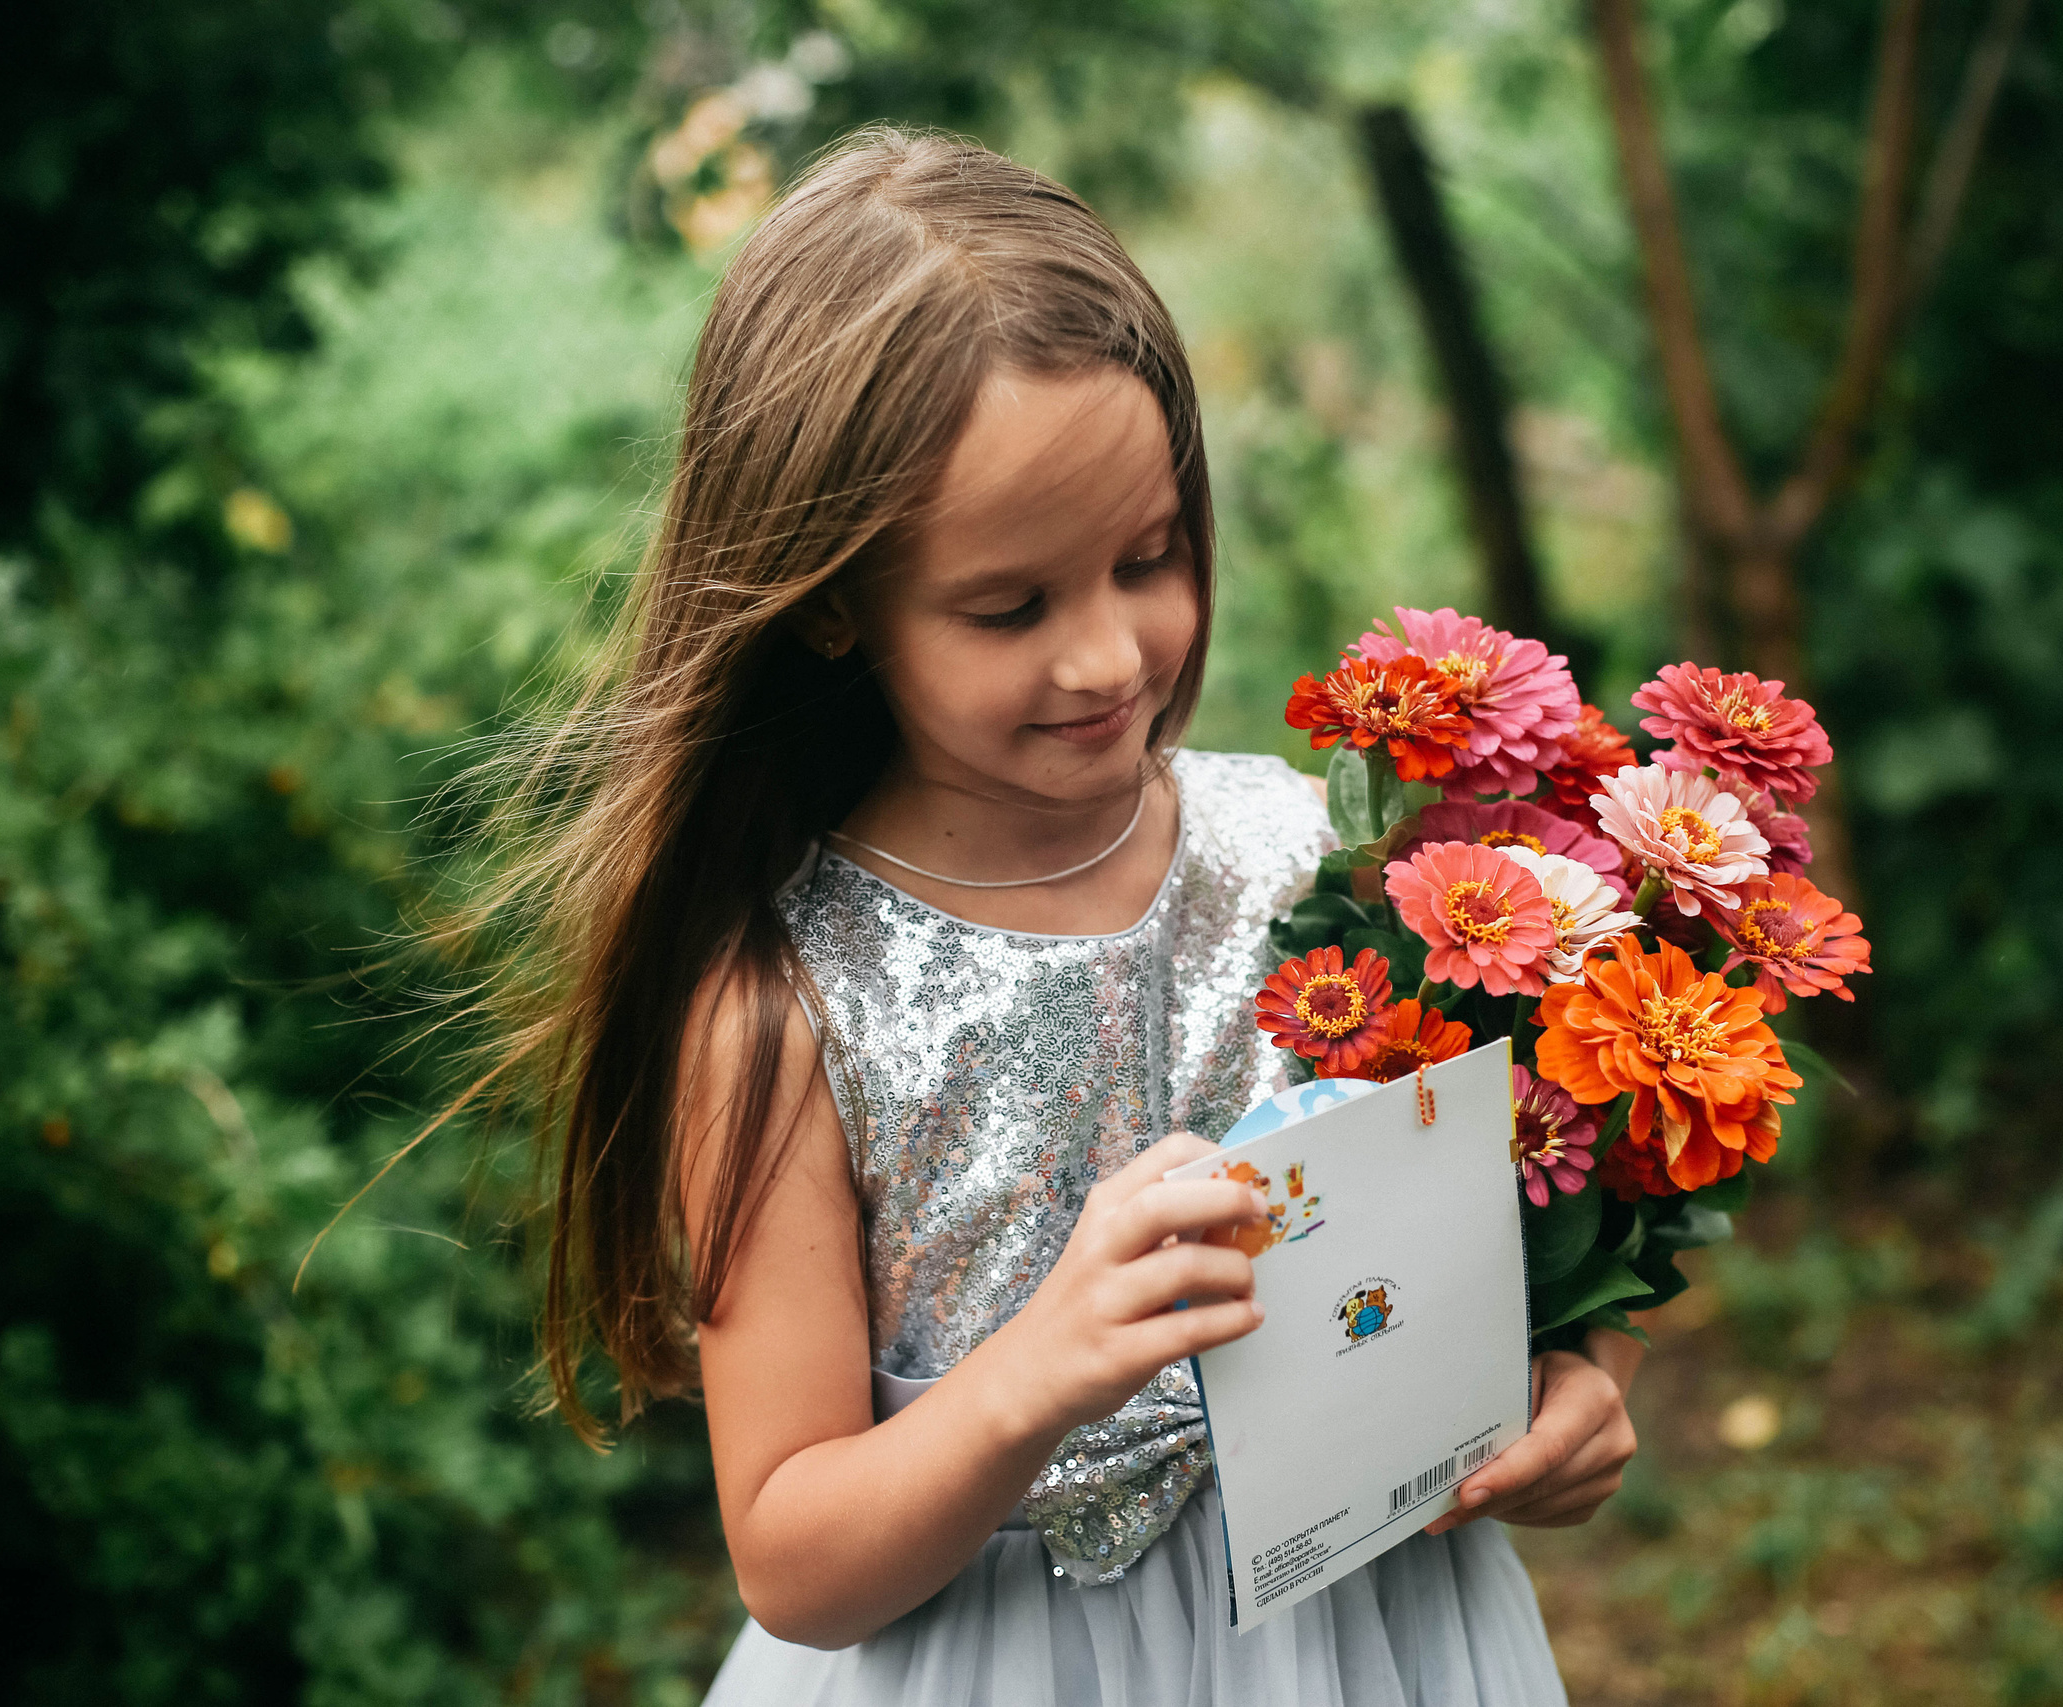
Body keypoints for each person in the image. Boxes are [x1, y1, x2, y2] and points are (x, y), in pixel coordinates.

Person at [495, 127, 1642, 1705]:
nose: (1107, 657)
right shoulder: (783, 1007)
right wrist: (1033, 1375)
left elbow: (1497, 1221)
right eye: (1010, 606)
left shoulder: (1326, 859)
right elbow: (792, 1558)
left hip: (1376, 1641)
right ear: (831, 603)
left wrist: (1580, 1378)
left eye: (1147, 558)